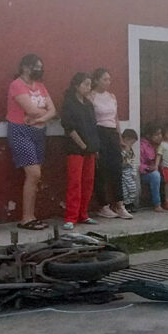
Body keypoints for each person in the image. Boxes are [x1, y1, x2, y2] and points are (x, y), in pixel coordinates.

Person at [6, 53, 56, 231]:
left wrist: (39, 115)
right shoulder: (16, 85)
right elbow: (32, 110)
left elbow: (53, 111)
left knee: (35, 176)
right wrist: (42, 113)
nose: (40, 69)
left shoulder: (40, 86)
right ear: (26, 67)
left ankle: (31, 216)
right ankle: (26, 218)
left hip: (38, 133)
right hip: (20, 131)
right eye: (37, 66)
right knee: (34, 173)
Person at [89, 67, 132, 220]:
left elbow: (116, 118)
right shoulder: (91, 96)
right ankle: (103, 205)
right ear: (96, 80)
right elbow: (90, 120)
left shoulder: (112, 96)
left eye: (109, 79)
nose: (108, 82)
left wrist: (119, 137)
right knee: (101, 170)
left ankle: (119, 204)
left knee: (117, 169)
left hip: (112, 133)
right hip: (99, 132)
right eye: (105, 79)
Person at [60, 72, 100, 230]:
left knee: (88, 182)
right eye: (85, 84)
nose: (88, 88)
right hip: (75, 148)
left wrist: (94, 147)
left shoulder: (89, 105)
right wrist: (82, 144)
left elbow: (93, 127)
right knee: (74, 183)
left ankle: (83, 214)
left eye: (90, 85)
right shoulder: (69, 104)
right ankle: (71, 217)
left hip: (90, 148)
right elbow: (69, 127)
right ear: (76, 86)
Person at [138, 124, 166, 213]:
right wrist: (148, 168)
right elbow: (138, 163)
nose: (160, 136)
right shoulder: (142, 145)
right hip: (146, 174)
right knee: (155, 175)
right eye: (156, 135)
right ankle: (157, 204)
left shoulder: (163, 145)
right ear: (148, 136)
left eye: (160, 134)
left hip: (162, 170)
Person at [119, 128, 139, 214]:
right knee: (124, 190)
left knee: (133, 188)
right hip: (122, 172)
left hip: (129, 171)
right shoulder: (120, 149)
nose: (132, 145)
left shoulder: (131, 151)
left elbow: (133, 161)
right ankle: (126, 204)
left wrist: (134, 172)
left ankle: (130, 202)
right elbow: (120, 159)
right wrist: (125, 151)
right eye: (131, 142)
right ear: (126, 139)